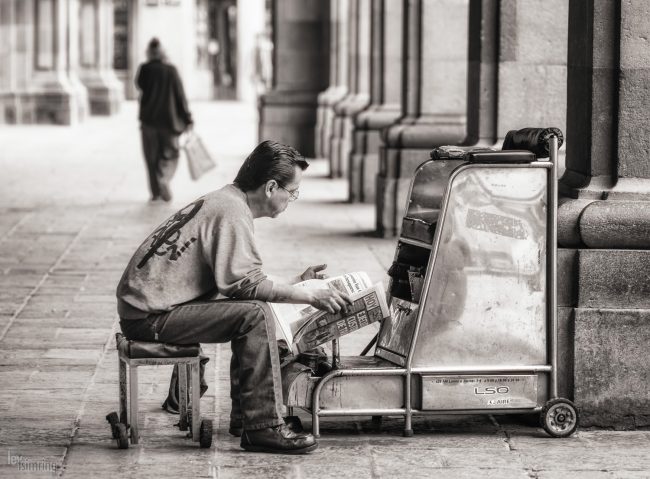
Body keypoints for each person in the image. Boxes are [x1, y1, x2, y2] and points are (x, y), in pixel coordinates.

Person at [116, 140, 352, 454]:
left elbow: (242, 281)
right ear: (271, 187)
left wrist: (300, 283)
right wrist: (309, 297)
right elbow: (246, 286)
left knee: (249, 311)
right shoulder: (232, 212)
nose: (292, 198)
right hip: (149, 318)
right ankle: (262, 426)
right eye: (293, 191)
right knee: (253, 315)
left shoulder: (226, 202)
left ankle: (248, 418)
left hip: (148, 309)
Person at [135, 38, 193, 202]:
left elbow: (139, 86)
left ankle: (155, 192)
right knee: (170, 155)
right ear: (163, 52)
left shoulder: (144, 69)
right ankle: (165, 179)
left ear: (148, 52)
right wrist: (188, 118)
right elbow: (180, 96)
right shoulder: (171, 70)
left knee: (151, 158)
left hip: (148, 122)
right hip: (169, 122)